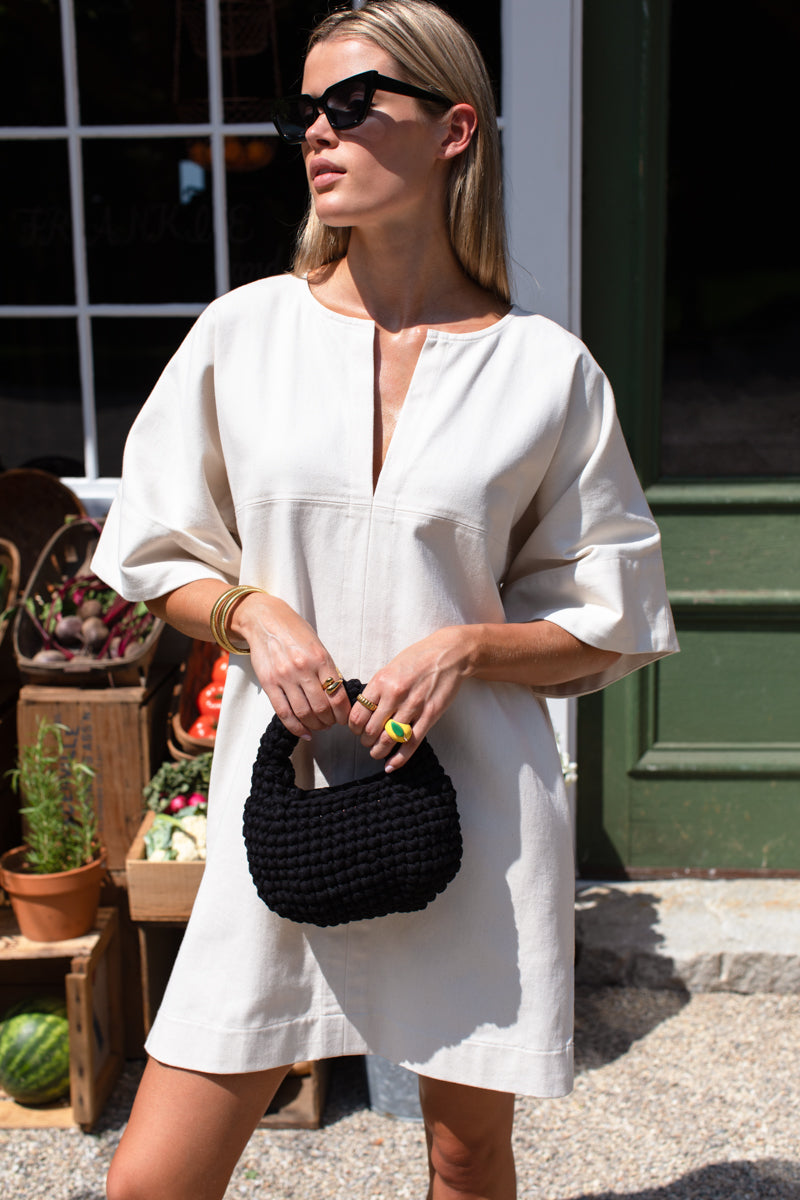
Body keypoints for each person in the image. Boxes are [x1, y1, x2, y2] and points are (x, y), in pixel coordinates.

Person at [95, 3, 678, 1197]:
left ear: (453, 129)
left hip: (473, 813)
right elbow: (155, 550)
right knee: (154, 1177)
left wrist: (466, 646)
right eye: (303, 110)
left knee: (465, 1155)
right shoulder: (243, 336)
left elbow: (604, 620)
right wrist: (251, 612)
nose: (318, 130)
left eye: (352, 104)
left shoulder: (544, 372)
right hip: (284, 804)